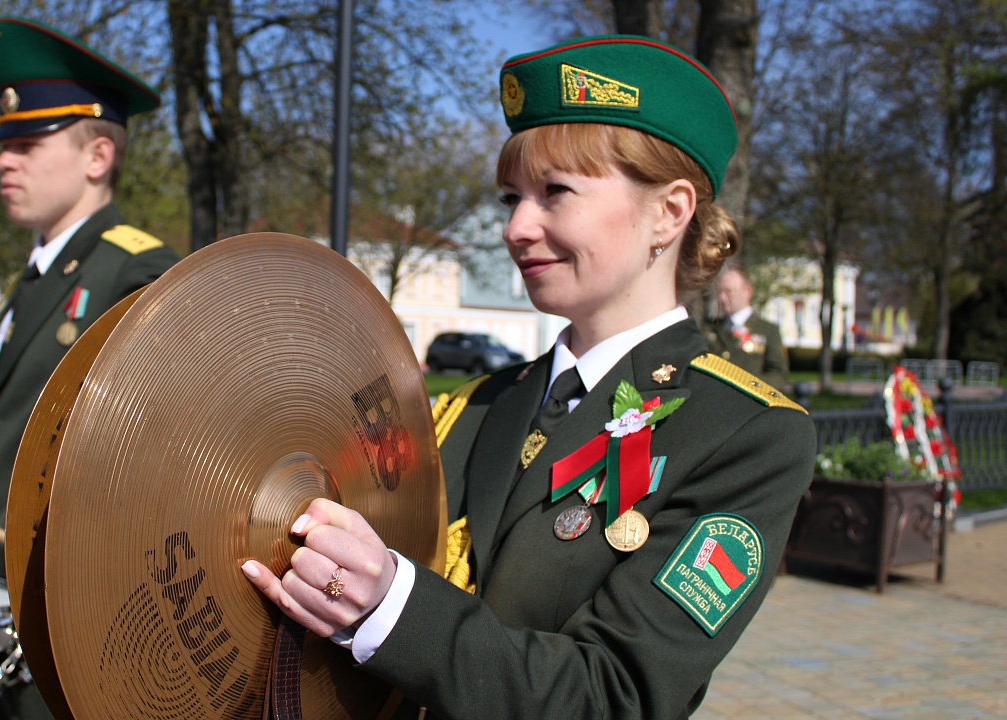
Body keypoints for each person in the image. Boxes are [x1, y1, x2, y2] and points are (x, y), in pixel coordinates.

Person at [243, 35, 817, 718]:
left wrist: (393, 607)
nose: (517, 227)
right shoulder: (474, 404)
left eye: (556, 193)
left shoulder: (744, 434)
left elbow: (615, 695)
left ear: (669, 212)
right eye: (511, 197)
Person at [0, 16, 181, 719]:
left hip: (70, 609)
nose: (4, 160)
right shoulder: (35, 278)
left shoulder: (136, 271)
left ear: (97, 157)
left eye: (27, 144)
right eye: (3, 145)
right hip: (2, 595)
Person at [704, 265, 790, 389]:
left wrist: (753, 388)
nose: (722, 298)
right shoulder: (711, 328)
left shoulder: (767, 330)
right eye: (720, 292)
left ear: (747, 292)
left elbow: (778, 373)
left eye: (729, 292)